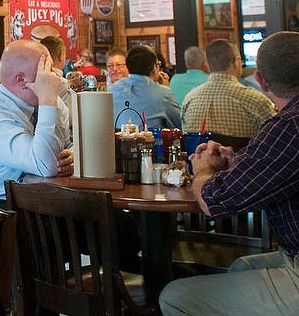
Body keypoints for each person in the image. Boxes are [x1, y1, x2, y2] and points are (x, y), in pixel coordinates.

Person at [158, 31, 299, 316]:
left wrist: (202, 171)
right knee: (240, 266)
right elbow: (273, 162)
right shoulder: (282, 121)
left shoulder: (288, 126)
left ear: (260, 79)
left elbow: (214, 201)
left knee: (173, 296)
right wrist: (234, 162)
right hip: (287, 252)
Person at [0, 39, 73, 204]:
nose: (55, 77)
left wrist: (72, 157)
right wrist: (48, 99)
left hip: (32, 201)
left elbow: (66, 144)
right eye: (46, 71)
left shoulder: (36, 101)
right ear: (21, 80)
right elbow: (46, 165)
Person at [181, 39, 275, 138]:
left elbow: (185, 138)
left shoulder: (189, 100)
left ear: (207, 65)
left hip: (199, 152)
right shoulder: (257, 101)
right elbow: (275, 139)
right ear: (235, 62)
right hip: (240, 153)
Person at [109, 45, 181, 130]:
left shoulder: (113, 90)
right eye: (158, 64)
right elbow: (179, 123)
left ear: (128, 67)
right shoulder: (163, 94)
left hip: (117, 141)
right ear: (154, 68)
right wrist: (165, 88)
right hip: (149, 141)